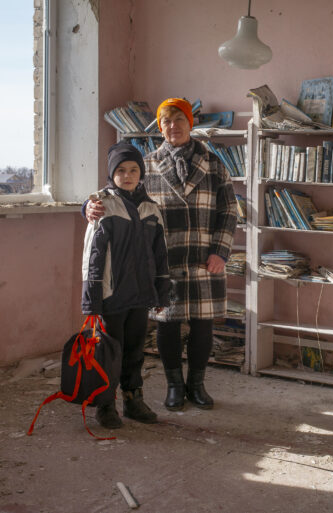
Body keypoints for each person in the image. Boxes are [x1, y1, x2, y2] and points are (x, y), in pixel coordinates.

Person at [86, 98, 237, 411]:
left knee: (202, 324)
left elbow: (229, 211)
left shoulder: (214, 162)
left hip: (203, 258)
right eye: (166, 122)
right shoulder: (147, 164)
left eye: (179, 120)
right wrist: (86, 207)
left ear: (189, 124)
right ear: (161, 128)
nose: (173, 127)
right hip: (161, 260)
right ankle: (174, 386)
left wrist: (220, 251)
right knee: (167, 324)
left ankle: (197, 385)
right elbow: (116, 195)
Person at [82, 140, 171, 429]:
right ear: (111, 174)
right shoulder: (102, 207)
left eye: (134, 170)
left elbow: (160, 255)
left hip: (141, 295)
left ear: (141, 173)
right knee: (109, 352)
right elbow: (92, 258)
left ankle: (133, 400)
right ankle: (105, 405)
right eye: (121, 170)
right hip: (112, 296)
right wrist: (91, 300)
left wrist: (160, 291)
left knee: (134, 351)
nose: (128, 175)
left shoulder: (151, 209)